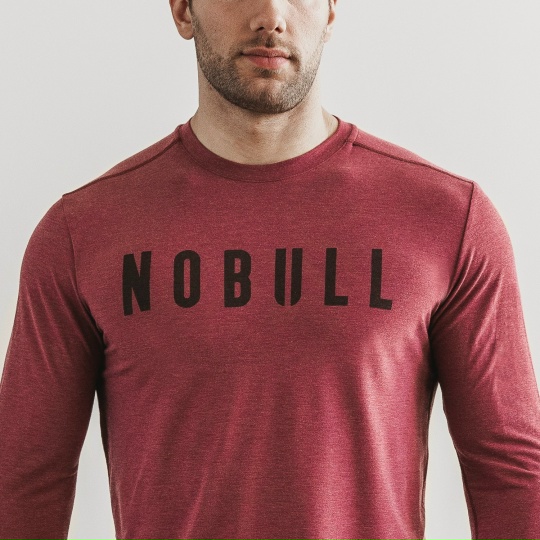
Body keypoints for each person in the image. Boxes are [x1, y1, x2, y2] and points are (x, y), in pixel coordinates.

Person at [1, 0, 539, 538]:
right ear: (184, 10)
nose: (271, 16)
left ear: (331, 11)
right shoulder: (82, 234)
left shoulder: (446, 219)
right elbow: (23, 481)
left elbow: (512, 475)